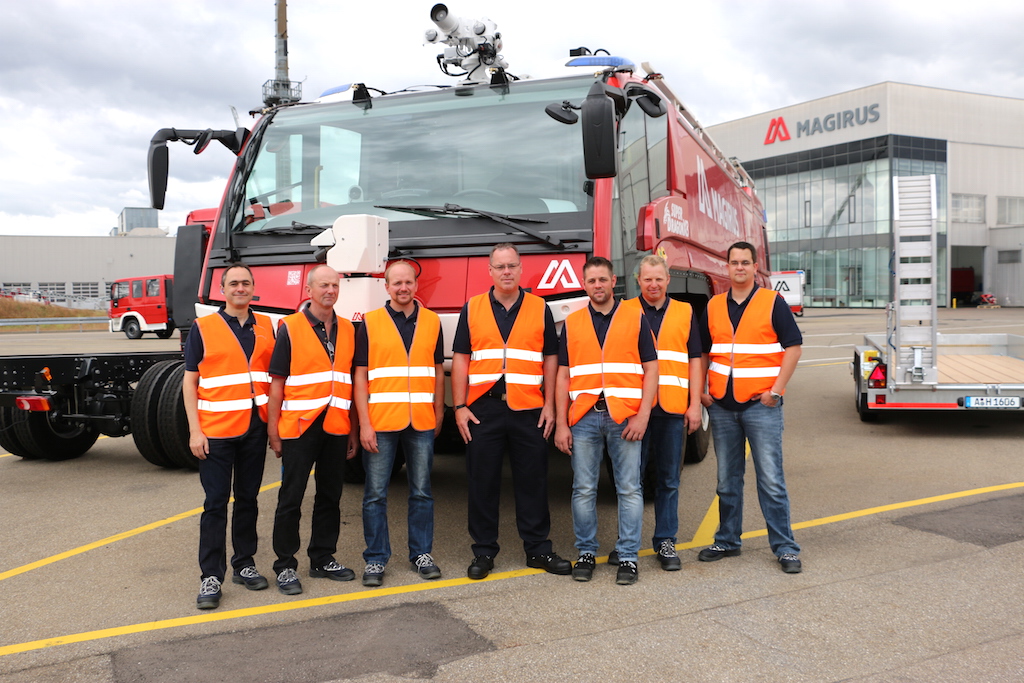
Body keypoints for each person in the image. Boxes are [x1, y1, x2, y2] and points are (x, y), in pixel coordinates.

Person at [451, 243, 572, 580]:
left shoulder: (539, 307)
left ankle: (538, 550)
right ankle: (484, 552)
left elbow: (551, 356)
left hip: (529, 409)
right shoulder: (472, 307)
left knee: (533, 481)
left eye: (512, 266)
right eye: (500, 266)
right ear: (489, 271)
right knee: (482, 482)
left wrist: (549, 403)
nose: (506, 272)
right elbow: (461, 358)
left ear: (521, 270)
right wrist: (459, 406)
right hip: (483, 410)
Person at [698, 241, 803, 573]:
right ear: (726, 267)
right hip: (722, 407)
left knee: (771, 479)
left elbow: (794, 348)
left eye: (745, 262)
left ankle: (785, 547)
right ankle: (727, 540)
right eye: (734, 262)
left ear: (755, 267)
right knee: (726, 479)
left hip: (762, 405)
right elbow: (702, 352)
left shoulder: (773, 303)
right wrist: (702, 390)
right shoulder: (713, 305)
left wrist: (776, 390)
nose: (739, 267)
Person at [554, 256, 658, 585]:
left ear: (614, 282)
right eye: (591, 281)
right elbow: (563, 375)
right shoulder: (572, 323)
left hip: (625, 417)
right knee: (583, 489)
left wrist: (643, 415)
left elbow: (652, 368)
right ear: (584, 285)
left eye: (603, 279)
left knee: (629, 488)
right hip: (583, 417)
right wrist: (561, 423)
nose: (597, 286)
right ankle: (586, 552)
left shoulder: (634, 317)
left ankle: (628, 556)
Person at [183, 263, 275, 610]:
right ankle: (210, 575)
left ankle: (245, 563)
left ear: (253, 288)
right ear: (223, 289)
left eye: (246, 283)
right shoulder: (203, 328)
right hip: (216, 431)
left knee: (248, 499)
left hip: (255, 427)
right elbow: (189, 382)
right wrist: (195, 430)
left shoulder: (266, 326)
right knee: (215, 503)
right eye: (234, 283)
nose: (240, 288)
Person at [268, 264, 359, 595]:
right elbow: (276, 385)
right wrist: (273, 431)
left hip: (335, 426)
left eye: (335, 285)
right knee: (291, 497)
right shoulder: (290, 328)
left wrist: (351, 429)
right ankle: (285, 565)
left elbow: (349, 382)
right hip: (299, 427)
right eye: (323, 285)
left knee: (330, 495)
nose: (330, 291)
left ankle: (322, 557)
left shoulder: (349, 329)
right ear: (309, 290)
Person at [353, 260, 445, 587]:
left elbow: (437, 372)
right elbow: (360, 377)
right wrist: (364, 424)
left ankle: (421, 553)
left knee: (421, 492)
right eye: (397, 283)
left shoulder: (433, 322)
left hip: (420, 421)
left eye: (408, 282)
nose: (403, 288)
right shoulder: (370, 322)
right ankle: (376, 559)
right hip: (380, 421)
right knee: (375, 494)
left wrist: (439, 411)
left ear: (416, 286)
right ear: (386, 287)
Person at [615, 255, 703, 571]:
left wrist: (694, 405)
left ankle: (665, 541)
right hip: (634, 409)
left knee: (669, 478)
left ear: (668, 280)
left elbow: (695, 359)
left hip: (672, 409)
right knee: (631, 479)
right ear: (638, 280)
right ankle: (627, 544)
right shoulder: (624, 311)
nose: (653, 284)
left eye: (659, 279)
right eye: (647, 279)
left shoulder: (685, 311)